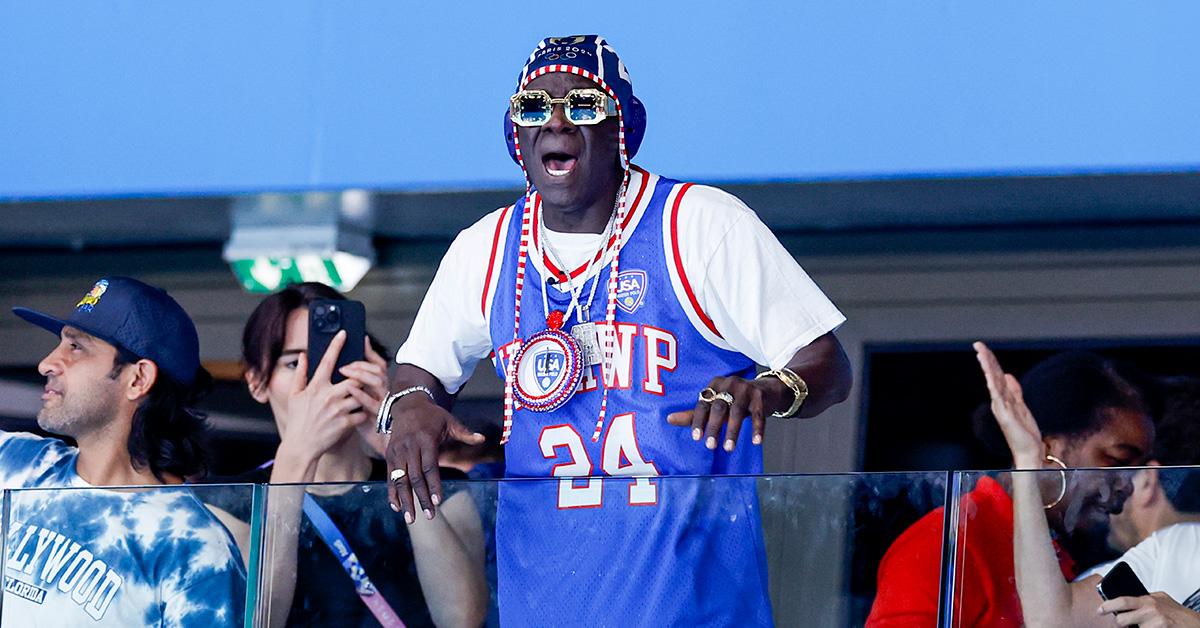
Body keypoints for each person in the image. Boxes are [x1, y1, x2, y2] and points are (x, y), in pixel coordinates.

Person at [381, 35, 852, 625]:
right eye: (533, 107)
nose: (555, 122)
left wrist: (771, 390)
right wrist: (411, 403)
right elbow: (417, 375)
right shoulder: (487, 248)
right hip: (543, 609)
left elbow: (829, 366)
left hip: (695, 611)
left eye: (582, 105)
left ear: (620, 128)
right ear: (516, 135)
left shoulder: (698, 225)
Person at [228, 282, 487, 628]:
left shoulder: (445, 488)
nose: (320, 380)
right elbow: (256, 620)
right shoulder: (230, 501)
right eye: (294, 364)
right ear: (256, 382)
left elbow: (462, 619)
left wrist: (397, 449)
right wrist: (295, 460)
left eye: (338, 360)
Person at [3, 276, 246, 626]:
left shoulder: (193, 547)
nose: (46, 364)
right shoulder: (15, 461)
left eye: (76, 347)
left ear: (137, 379)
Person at [867, 349, 1157, 627]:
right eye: (1118, 460)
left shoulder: (1062, 547)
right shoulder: (948, 543)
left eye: (1135, 468)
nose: (1126, 484)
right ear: (1046, 448)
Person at [978, 348, 1200, 627]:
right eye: (1119, 462)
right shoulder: (1178, 546)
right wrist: (1027, 460)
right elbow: (1054, 621)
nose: (1124, 485)